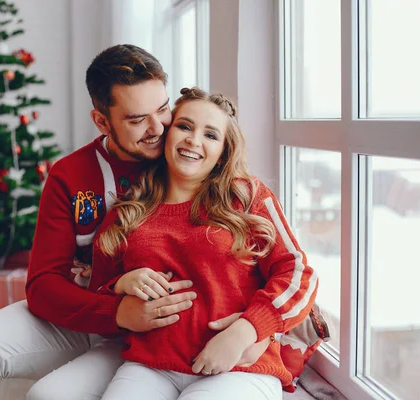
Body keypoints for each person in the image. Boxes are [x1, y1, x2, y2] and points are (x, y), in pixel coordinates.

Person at [0, 45, 268, 400]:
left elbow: (259, 247)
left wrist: (256, 329)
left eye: (162, 110)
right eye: (135, 119)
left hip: (166, 330)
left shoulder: (188, 158)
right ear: (102, 121)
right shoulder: (70, 174)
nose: (157, 128)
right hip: (96, 313)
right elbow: (42, 284)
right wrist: (117, 311)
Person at [89, 87, 319, 400]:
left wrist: (246, 331)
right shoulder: (129, 210)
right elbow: (97, 293)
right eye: (184, 126)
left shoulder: (246, 196)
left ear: (224, 150)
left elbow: (299, 272)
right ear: (167, 134)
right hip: (150, 365)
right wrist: (121, 285)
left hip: (239, 367)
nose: (193, 141)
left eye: (210, 134)